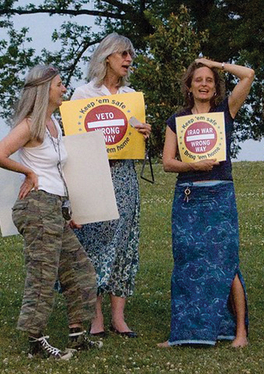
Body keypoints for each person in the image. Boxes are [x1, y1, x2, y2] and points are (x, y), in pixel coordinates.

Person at [0, 65, 102, 359]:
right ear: (44, 90)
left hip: (53, 209)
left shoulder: (54, 124)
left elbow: (57, 172)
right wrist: (27, 172)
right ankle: (35, 342)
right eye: (60, 85)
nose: (65, 89)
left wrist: (67, 211)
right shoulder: (30, 125)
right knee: (42, 275)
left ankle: (77, 335)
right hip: (37, 207)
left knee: (81, 270)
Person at [159, 58, 254, 348]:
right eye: (198, 79)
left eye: (209, 80)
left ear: (215, 88)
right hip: (188, 195)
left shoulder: (226, 111)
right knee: (187, 264)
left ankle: (239, 332)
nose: (203, 84)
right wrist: (193, 166)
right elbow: (167, 162)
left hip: (220, 194)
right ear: (189, 86)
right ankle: (185, 332)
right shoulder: (177, 120)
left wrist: (213, 64)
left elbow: (249, 75)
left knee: (226, 262)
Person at [71, 33, 151, 338]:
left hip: (125, 176)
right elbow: (74, 138)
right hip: (93, 176)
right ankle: (96, 317)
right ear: (107, 58)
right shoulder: (82, 94)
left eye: (130, 55)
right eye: (123, 55)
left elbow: (131, 140)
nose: (129, 60)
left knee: (125, 242)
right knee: (93, 242)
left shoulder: (131, 96)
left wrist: (142, 131)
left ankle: (119, 317)